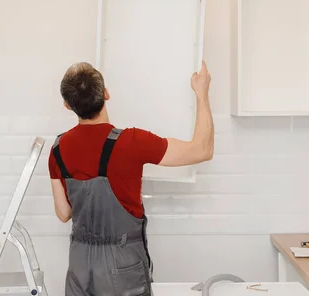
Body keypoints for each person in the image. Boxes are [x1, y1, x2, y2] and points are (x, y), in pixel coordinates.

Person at [49, 61, 214, 296]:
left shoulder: (57, 148)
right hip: (122, 264)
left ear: (67, 105)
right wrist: (202, 93)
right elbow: (202, 150)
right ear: (106, 94)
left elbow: (64, 213)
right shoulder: (131, 142)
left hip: (79, 266)